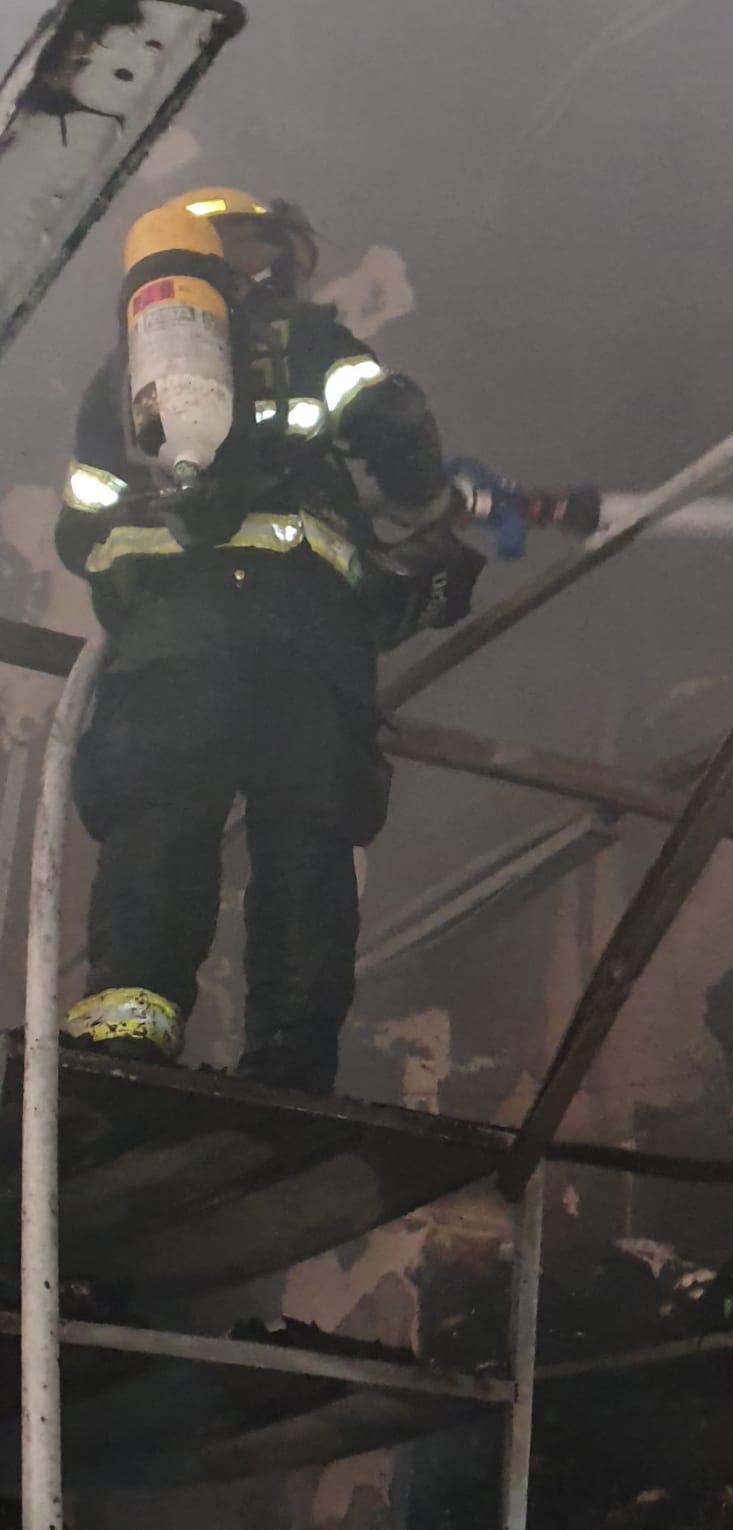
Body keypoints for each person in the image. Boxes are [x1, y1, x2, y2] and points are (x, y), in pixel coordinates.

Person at [55, 187, 485, 1093]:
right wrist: (427, 507)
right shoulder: (312, 342)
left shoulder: (125, 374)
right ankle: (291, 1060)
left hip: (174, 637)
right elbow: (393, 430)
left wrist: (144, 591)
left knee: (160, 813)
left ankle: (128, 1021)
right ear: (263, 254)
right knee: (306, 836)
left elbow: (78, 526)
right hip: (303, 631)